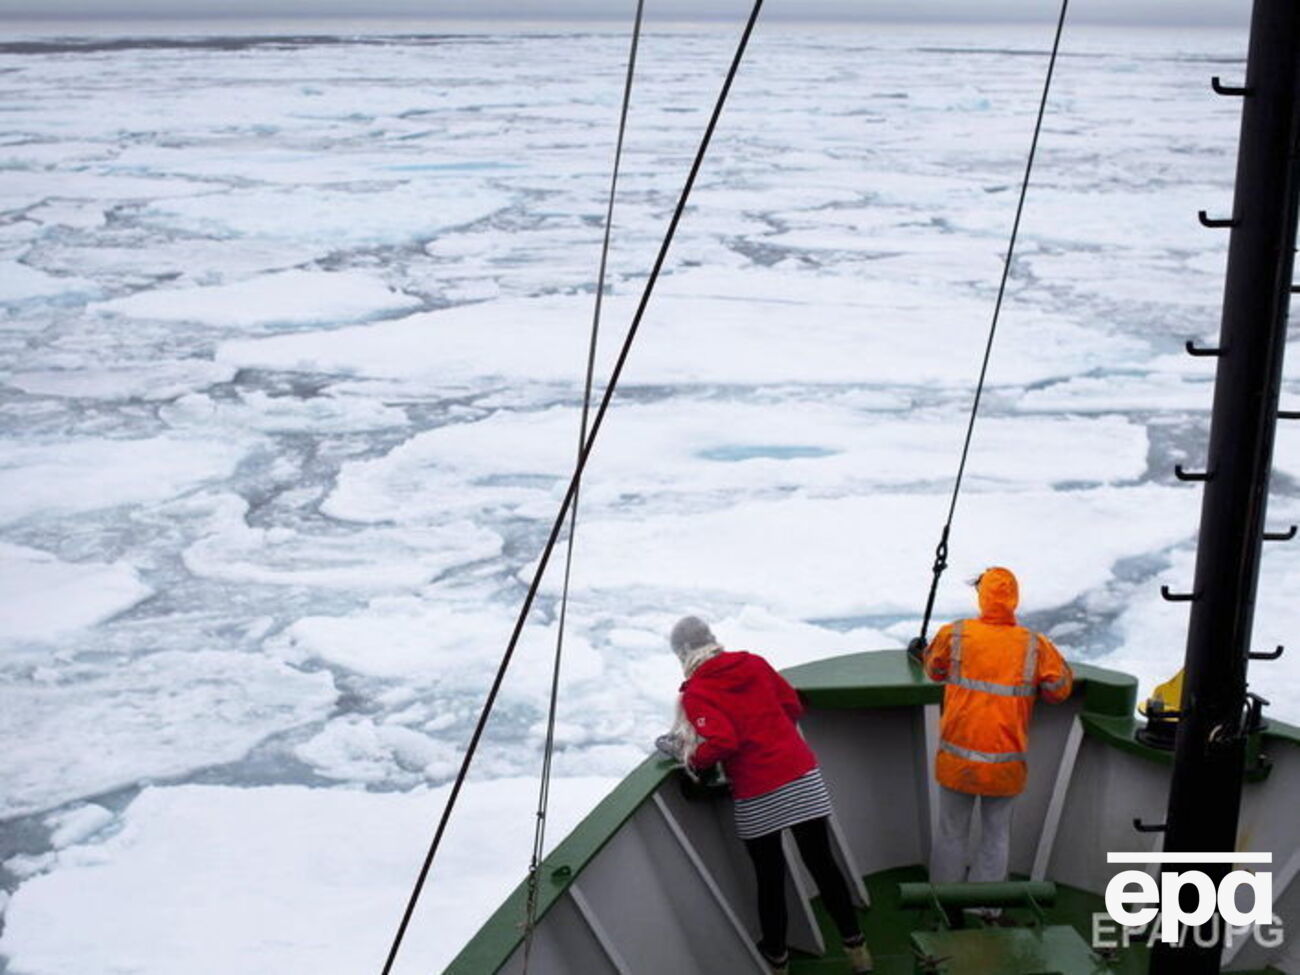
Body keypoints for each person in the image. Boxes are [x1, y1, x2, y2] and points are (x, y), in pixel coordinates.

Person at [657, 616, 872, 974]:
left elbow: (724, 740)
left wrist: (692, 756)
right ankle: (858, 950)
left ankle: (777, 958)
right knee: (823, 863)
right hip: (800, 774)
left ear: (682, 653)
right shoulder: (754, 663)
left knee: (770, 878)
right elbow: (792, 706)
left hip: (757, 789)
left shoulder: (697, 693)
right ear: (712, 639)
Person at [920, 567, 1073, 889]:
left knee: (951, 831)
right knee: (996, 834)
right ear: (1013, 600)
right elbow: (1059, 689)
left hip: (957, 760)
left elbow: (934, 669)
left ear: (982, 597)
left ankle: (945, 900)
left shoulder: (955, 634)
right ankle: (985, 906)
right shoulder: (1034, 644)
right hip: (1005, 764)